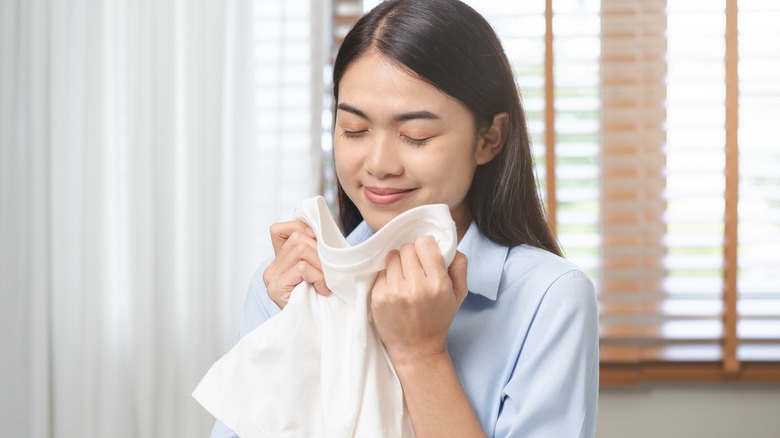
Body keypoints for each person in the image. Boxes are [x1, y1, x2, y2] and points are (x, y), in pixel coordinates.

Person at [211, 0, 598, 436]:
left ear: (489, 138)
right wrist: (300, 331)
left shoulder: (549, 299)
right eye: (354, 129)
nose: (378, 164)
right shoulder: (288, 284)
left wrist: (421, 355)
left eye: (416, 135)